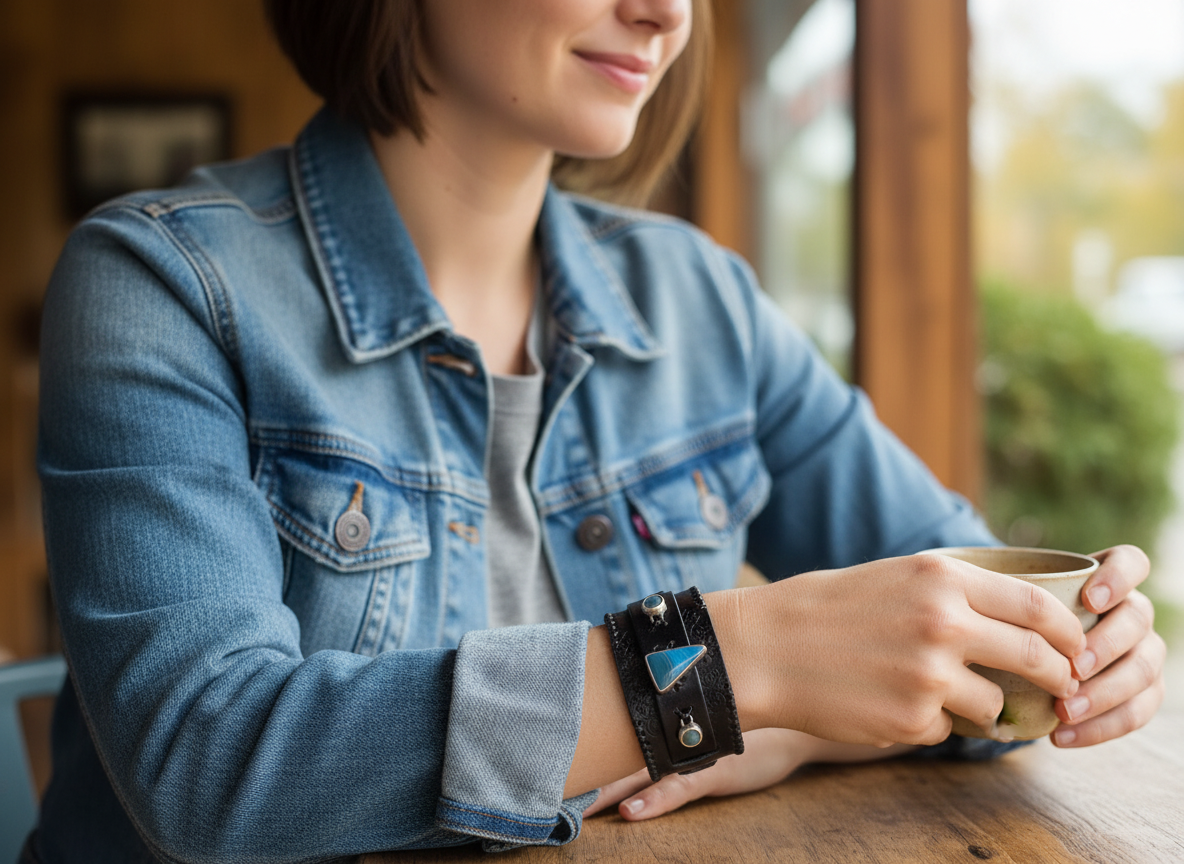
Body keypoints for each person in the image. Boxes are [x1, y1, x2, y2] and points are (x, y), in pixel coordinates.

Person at [26, 1, 1165, 861]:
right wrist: (729, 674)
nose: (665, 13)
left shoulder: (698, 298)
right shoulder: (163, 283)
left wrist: (1074, 650)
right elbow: (211, 762)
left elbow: (979, 633)